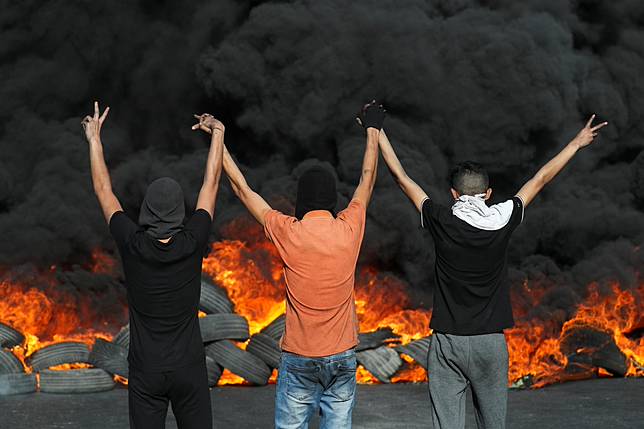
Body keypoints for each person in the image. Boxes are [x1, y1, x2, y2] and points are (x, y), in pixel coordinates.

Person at [376, 115, 608, 429]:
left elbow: (402, 177)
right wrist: (577, 143)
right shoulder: (502, 217)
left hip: (448, 342)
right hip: (490, 345)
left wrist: (377, 130)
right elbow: (540, 179)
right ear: (487, 194)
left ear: (454, 194)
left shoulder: (441, 220)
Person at [192, 101, 384, 429]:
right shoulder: (350, 227)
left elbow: (242, 189)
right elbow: (368, 178)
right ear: (332, 200)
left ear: (301, 200)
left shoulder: (288, 231)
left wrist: (217, 135)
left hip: (299, 359)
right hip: (342, 357)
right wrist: (372, 128)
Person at [82, 102, 225, 429]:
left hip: (146, 370)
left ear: (146, 209)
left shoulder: (133, 243)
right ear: (180, 211)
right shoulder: (193, 240)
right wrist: (218, 132)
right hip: (188, 368)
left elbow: (103, 190)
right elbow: (212, 183)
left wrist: (94, 139)